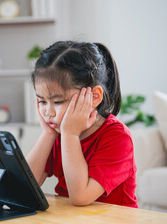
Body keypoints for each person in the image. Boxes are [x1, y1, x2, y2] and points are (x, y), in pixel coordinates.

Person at [26, 41, 138, 208]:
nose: (48, 112)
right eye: (42, 101)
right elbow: (25, 188)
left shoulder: (117, 137)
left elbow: (80, 197)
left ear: (93, 97)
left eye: (57, 101)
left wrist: (70, 134)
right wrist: (47, 135)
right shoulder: (57, 132)